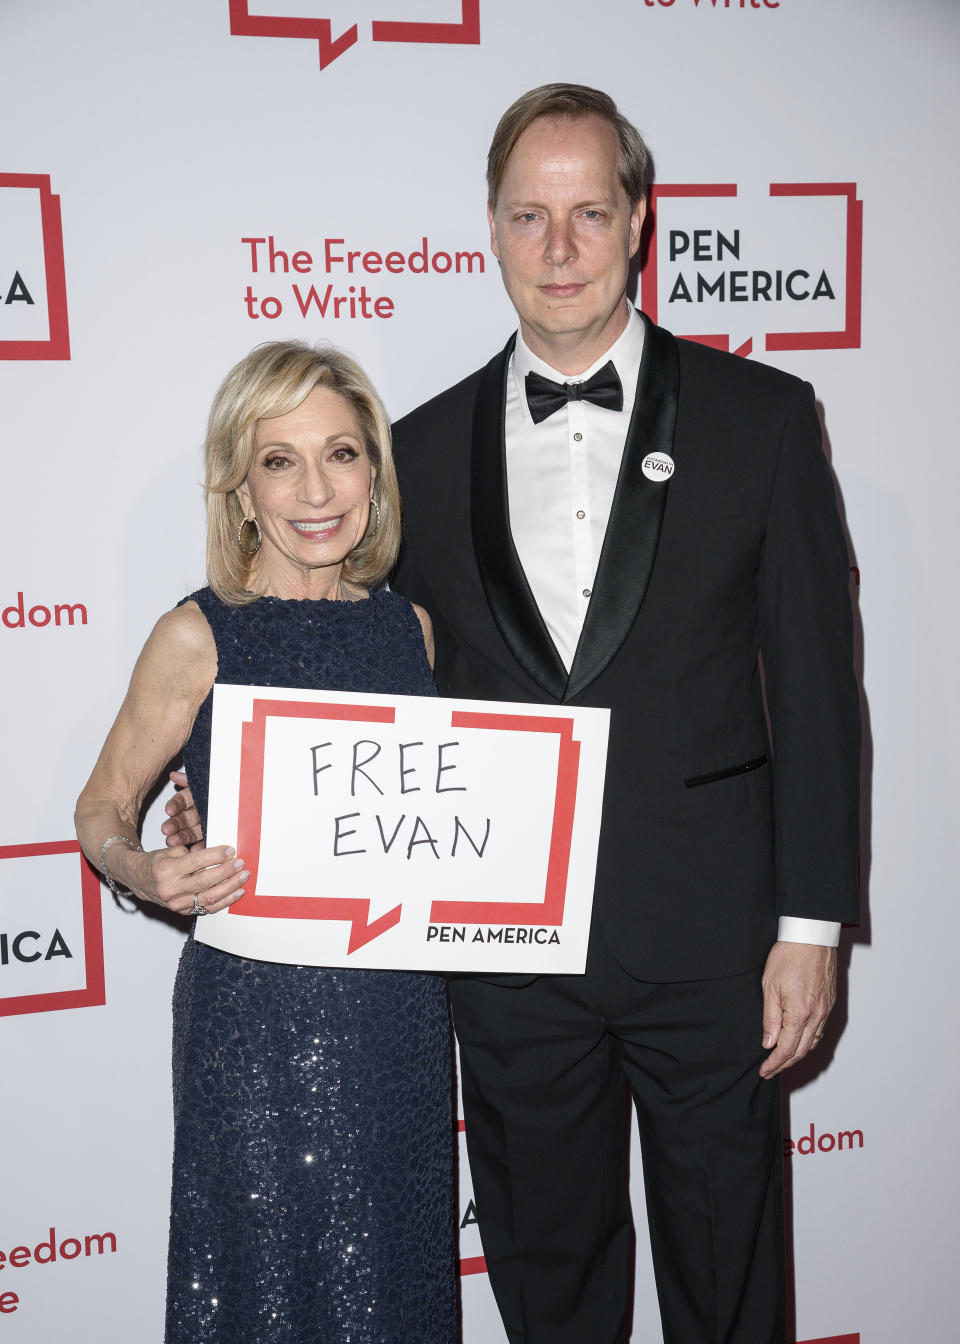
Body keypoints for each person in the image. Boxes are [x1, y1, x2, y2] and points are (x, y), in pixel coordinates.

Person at [167, 85, 861, 1344]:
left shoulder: (762, 421)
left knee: (732, 1282)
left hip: (714, 951)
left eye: (589, 212)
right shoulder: (413, 457)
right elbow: (354, 671)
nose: (559, 249)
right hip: (504, 961)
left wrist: (810, 924)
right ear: (489, 227)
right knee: (550, 1286)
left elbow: (817, 689)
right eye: (529, 216)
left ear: (638, 221)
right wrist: (224, 781)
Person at [75, 342, 458, 1344]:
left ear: (375, 474)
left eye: (342, 453)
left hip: (399, 1017)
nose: (317, 489)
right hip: (254, 1025)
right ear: (241, 489)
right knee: (263, 1290)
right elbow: (100, 808)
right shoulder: (197, 635)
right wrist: (143, 867)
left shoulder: (409, 632)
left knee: (398, 1279)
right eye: (280, 461)